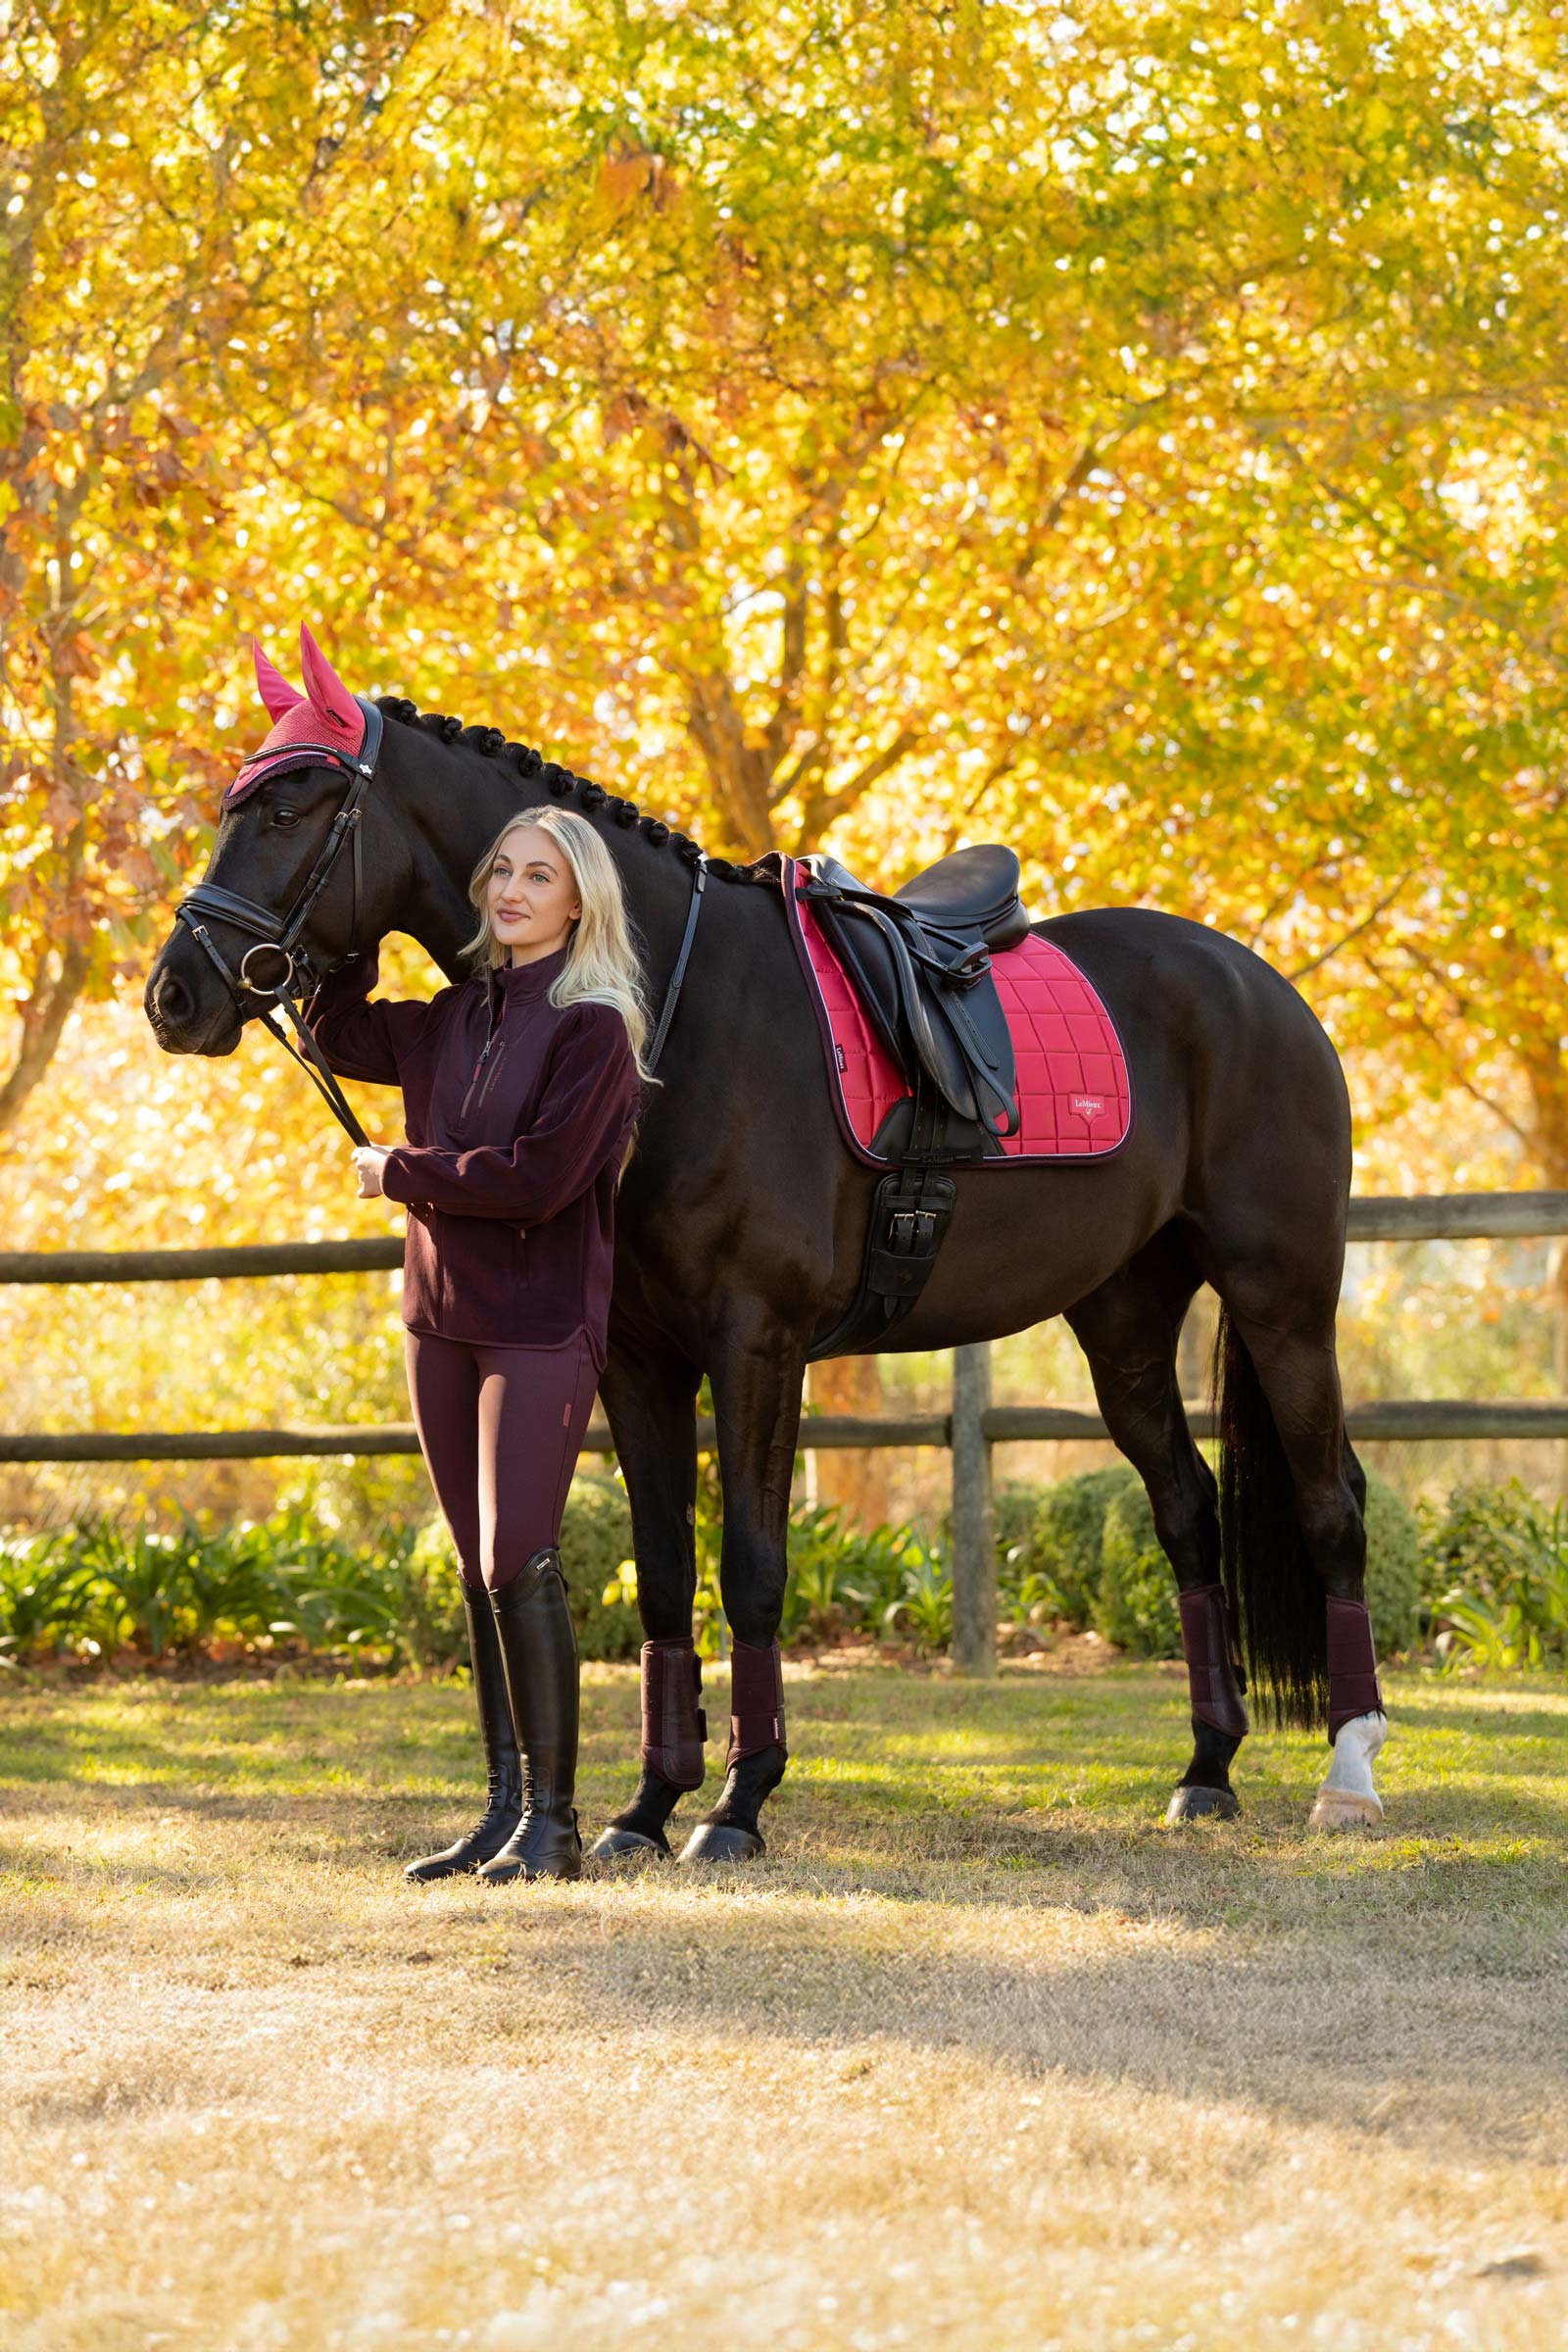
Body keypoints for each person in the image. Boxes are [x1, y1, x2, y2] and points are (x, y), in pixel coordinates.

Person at [303, 807, 648, 1885]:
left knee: (516, 1557)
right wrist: (354, 924)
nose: (510, 890)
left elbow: (539, 1179)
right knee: (474, 1569)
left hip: (540, 1327)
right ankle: (500, 1812)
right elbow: (332, 1031)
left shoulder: (595, 1029)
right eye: (501, 869)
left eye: (538, 877)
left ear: (578, 901)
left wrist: (400, 1171)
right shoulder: (452, 1015)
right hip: (439, 1322)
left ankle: (555, 1824)